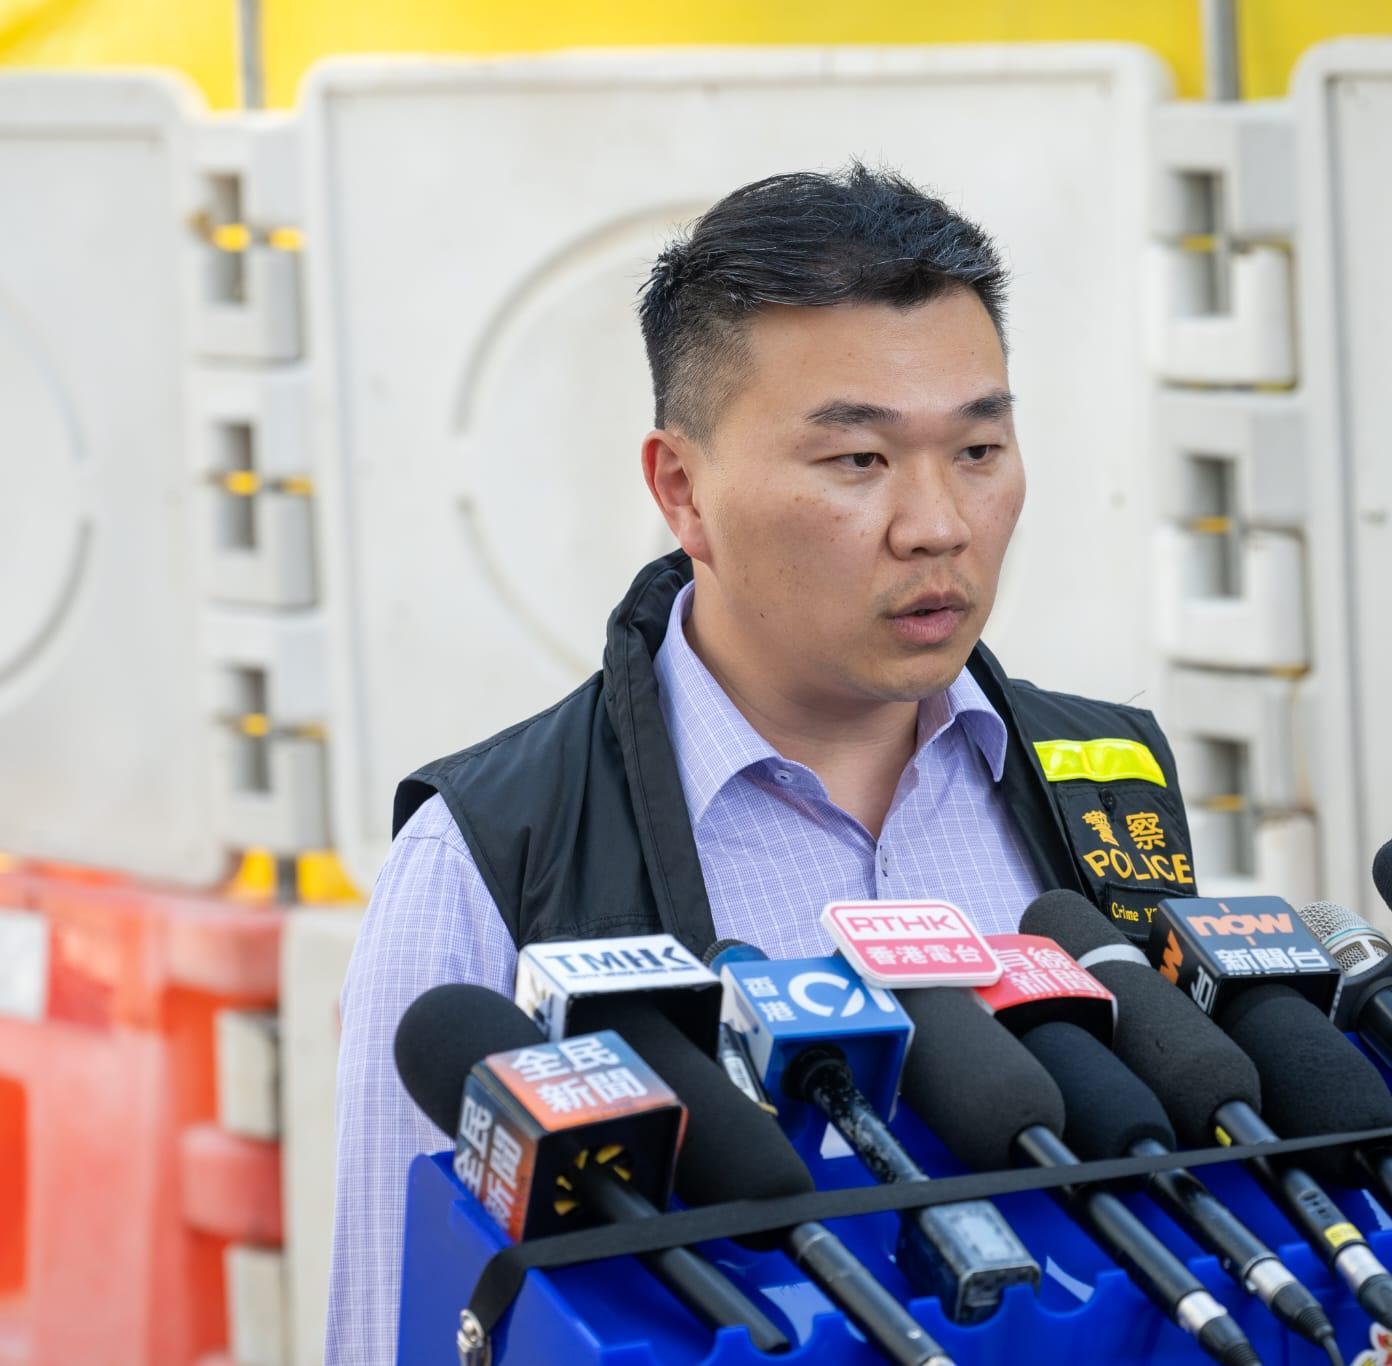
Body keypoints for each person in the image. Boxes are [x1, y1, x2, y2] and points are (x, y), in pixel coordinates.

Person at [325, 162, 1201, 1364]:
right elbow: (406, 1318)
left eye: (978, 447)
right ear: (681, 489)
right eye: (858, 461)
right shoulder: (490, 853)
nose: (937, 523)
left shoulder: (1100, 778)